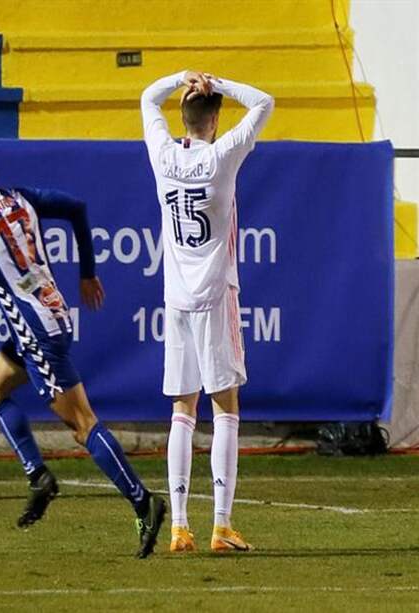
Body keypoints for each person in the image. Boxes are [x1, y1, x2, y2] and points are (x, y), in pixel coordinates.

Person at [0, 144, 166, 558]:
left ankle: (143, 501)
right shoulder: (20, 196)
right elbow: (77, 207)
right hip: (50, 315)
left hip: (36, 332)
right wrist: (87, 272)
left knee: (83, 424)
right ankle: (38, 476)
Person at [140, 70, 274, 552]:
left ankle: (179, 527)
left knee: (181, 408)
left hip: (176, 297)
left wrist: (182, 78)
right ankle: (220, 525)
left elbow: (146, 97)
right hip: (217, 295)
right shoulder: (221, 157)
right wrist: (219, 81)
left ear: (183, 116)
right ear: (215, 119)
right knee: (225, 407)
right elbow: (264, 101)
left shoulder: (163, 154)